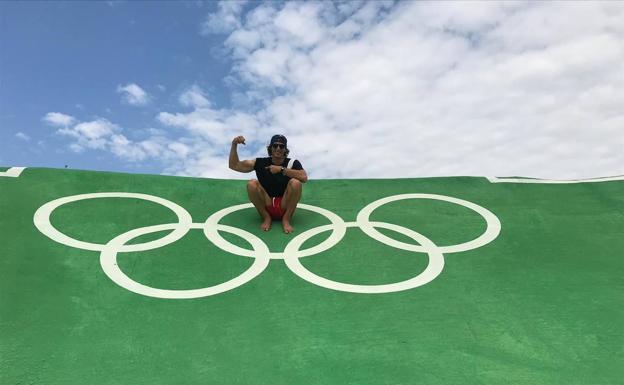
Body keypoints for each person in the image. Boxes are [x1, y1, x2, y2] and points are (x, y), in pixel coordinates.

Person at [229, 134, 308, 234]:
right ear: (270, 148)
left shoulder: (292, 163)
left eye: (281, 146)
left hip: (285, 204)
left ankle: (286, 219)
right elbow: (234, 165)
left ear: (285, 150)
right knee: (252, 183)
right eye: (275, 146)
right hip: (267, 203)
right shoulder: (260, 162)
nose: (278, 148)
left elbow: (304, 177)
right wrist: (234, 144)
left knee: (296, 183)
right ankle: (266, 217)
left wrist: (282, 169)